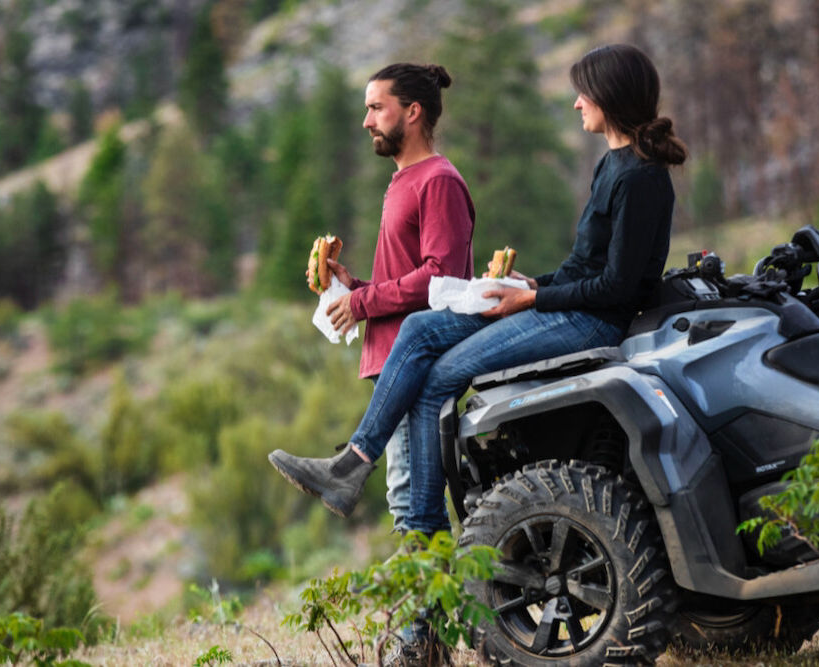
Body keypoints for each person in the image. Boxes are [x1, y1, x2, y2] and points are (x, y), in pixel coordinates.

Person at [270, 43, 686, 536]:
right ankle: (401, 510)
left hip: (591, 322)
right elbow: (585, 265)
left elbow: (620, 286)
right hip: (568, 308)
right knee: (429, 361)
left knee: (426, 343)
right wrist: (532, 283)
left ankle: (355, 466)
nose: (576, 102)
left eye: (583, 92)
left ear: (609, 94)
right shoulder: (613, 165)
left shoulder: (640, 177)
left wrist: (531, 299)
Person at [322, 63, 475, 534]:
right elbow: (410, 278)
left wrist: (364, 305)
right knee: (407, 497)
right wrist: (357, 290)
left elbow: (441, 278)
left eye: (375, 108)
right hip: (392, 362)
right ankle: (430, 604)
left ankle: (427, 606)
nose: (367, 121)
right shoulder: (402, 181)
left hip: (418, 364)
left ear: (412, 112)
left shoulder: (438, 180)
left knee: (411, 499)